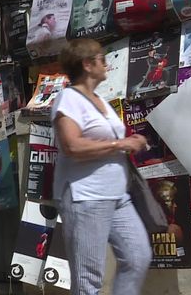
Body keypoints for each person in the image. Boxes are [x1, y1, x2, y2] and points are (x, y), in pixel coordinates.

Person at [51, 38, 151, 295]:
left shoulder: (100, 100)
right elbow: (71, 146)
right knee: (88, 280)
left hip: (117, 196)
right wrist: (120, 145)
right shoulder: (68, 99)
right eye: (102, 60)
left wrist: (130, 142)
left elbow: (113, 139)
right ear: (87, 64)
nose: (107, 65)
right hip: (86, 197)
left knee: (138, 257)